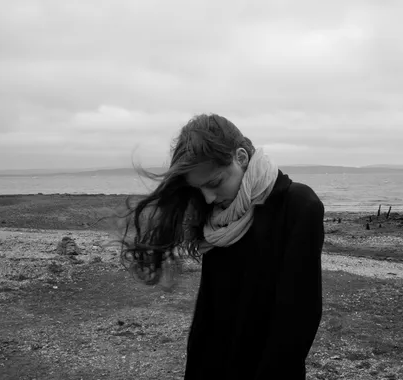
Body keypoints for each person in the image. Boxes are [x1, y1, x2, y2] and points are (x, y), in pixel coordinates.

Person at [120, 114, 325, 379]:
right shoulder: (216, 216)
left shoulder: (298, 205)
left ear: (240, 158)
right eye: (199, 188)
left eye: (215, 183)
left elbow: (299, 315)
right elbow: (211, 306)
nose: (208, 197)